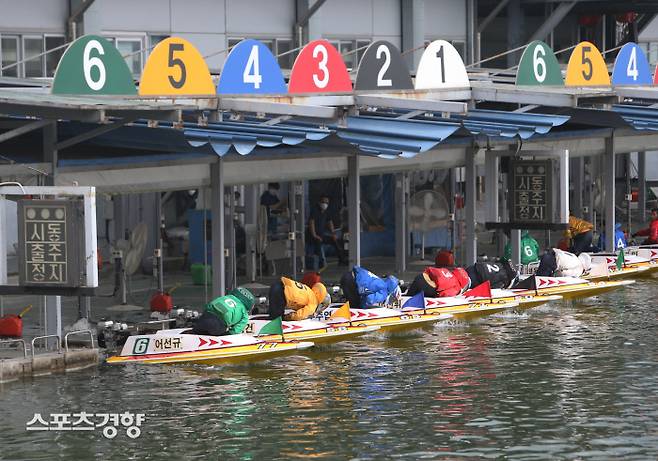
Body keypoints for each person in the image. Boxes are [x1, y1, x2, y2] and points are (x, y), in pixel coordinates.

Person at [307, 196, 347, 268]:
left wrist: (333, 233)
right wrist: (314, 235)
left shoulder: (326, 211)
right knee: (318, 242)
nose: (325, 204)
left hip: (322, 235)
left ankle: (342, 260)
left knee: (335, 240)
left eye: (327, 202)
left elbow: (330, 222)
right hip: (313, 236)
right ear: (319, 202)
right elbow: (311, 222)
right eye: (323, 202)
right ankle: (322, 263)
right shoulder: (315, 210)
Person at [406, 266, 470, 299]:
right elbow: (445, 295)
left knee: (406, 298)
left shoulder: (447, 271)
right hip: (427, 288)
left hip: (420, 277)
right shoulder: (456, 286)